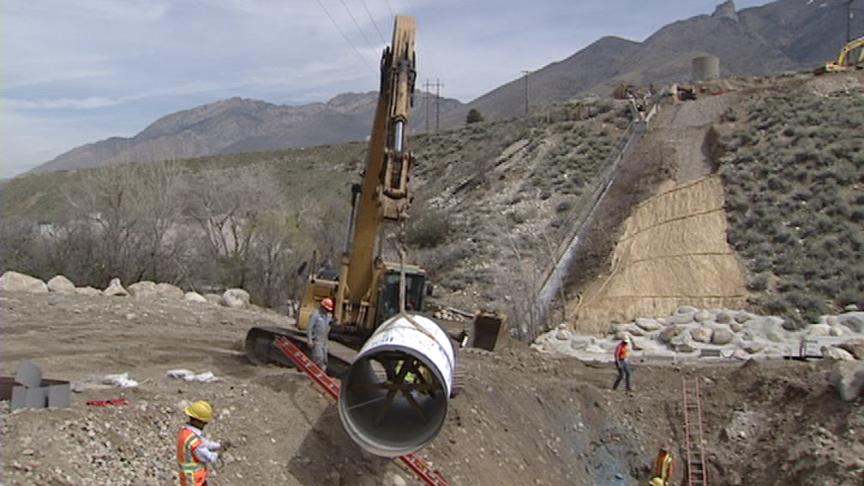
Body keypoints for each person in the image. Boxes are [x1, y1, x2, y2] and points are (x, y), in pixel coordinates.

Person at [177, 400, 230, 486]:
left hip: (189, 480)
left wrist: (219, 445)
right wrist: (220, 452)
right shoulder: (194, 442)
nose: (205, 425)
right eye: (204, 423)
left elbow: (204, 442)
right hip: (195, 481)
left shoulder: (186, 433)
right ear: (198, 421)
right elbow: (209, 457)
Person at [307, 297, 334, 372]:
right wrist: (309, 340)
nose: (327, 311)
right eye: (326, 309)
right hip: (317, 340)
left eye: (328, 310)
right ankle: (314, 374)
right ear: (322, 307)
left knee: (325, 359)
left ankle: (322, 374)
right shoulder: (315, 315)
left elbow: (329, 324)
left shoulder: (328, 316)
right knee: (318, 357)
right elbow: (309, 328)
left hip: (324, 340)